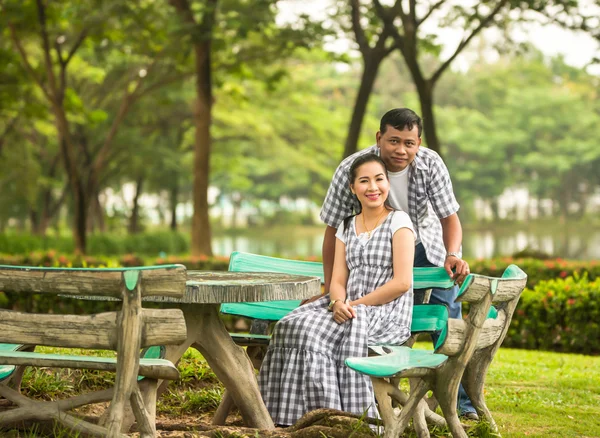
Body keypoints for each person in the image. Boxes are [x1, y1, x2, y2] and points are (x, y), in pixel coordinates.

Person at [319, 108, 478, 420]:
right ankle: (371, 393)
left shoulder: (430, 163)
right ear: (379, 138)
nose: (401, 150)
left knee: (446, 319)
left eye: (409, 143)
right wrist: (331, 291)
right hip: (372, 254)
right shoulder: (352, 169)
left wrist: (453, 254)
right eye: (393, 141)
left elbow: (450, 219)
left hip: (424, 248)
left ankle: (462, 404)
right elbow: (332, 231)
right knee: (372, 316)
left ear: (418, 143)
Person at [259, 153, 416, 426]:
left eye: (379, 179)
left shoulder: (399, 222)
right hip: (346, 305)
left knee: (312, 331)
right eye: (364, 181)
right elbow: (338, 279)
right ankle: (286, 415)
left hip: (384, 311)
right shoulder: (346, 225)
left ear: (387, 183)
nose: (373, 187)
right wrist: (337, 302)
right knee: (289, 324)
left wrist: (355, 306)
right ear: (353, 188)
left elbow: (402, 283)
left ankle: (337, 417)